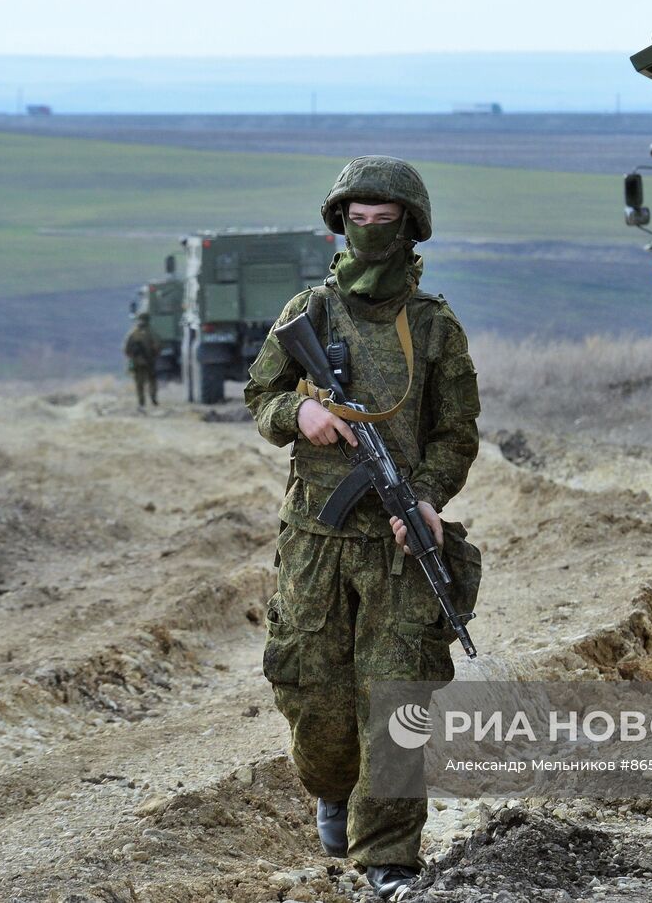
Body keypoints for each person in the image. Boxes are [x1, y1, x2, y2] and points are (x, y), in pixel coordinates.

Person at [244, 156, 482, 899]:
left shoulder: (434, 326)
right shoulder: (309, 313)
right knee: (313, 694)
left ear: (411, 228)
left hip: (399, 545)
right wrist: (300, 413)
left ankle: (389, 857)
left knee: (397, 699)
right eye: (359, 220)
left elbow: (456, 434)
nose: (371, 231)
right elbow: (260, 397)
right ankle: (331, 787)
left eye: (385, 221)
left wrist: (428, 499)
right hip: (315, 541)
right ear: (340, 225)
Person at [123, 313, 159, 407]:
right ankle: (152, 398)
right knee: (151, 380)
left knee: (139, 383)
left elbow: (126, 350)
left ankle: (141, 401)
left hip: (137, 362)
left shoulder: (132, 333)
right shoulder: (152, 332)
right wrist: (153, 356)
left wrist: (133, 358)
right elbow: (157, 346)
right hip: (149, 361)